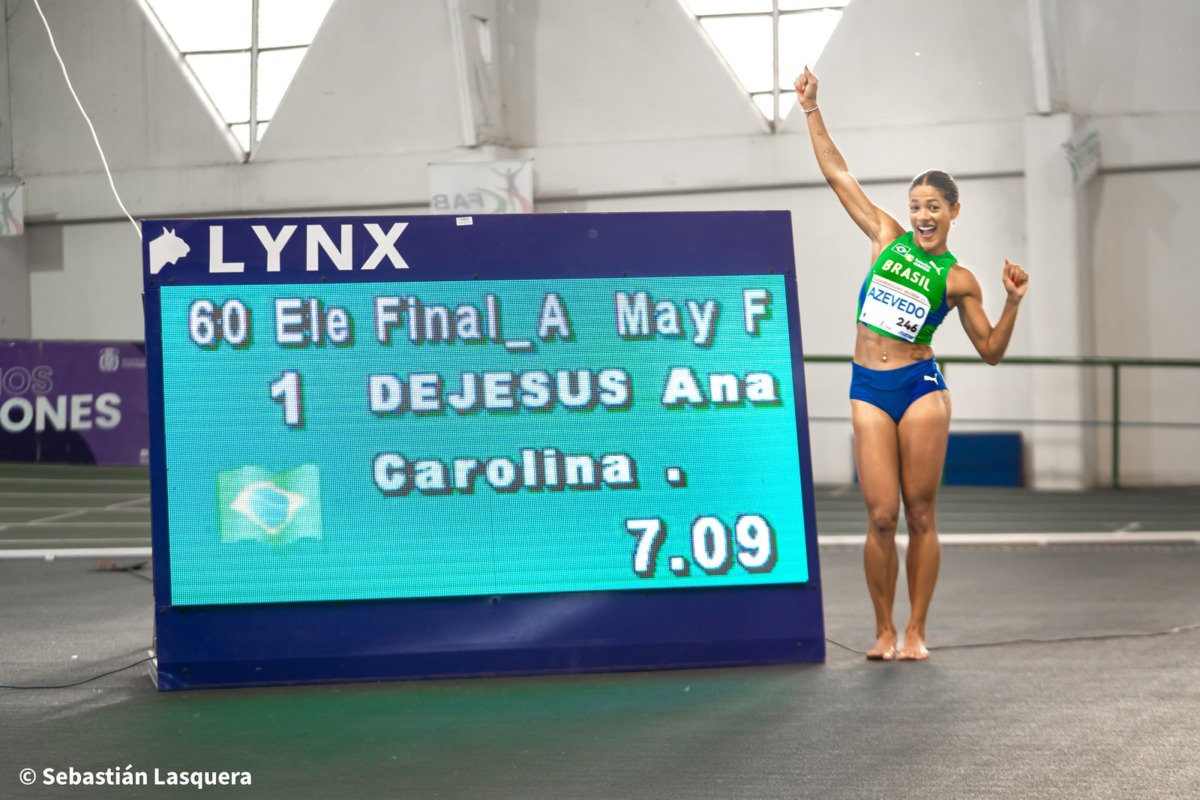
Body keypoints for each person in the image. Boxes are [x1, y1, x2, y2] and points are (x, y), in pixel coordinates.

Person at [794, 66, 1029, 661]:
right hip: (867, 384)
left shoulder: (959, 279)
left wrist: (1013, 300)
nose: (922, 215)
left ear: (953, 212)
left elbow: (992, 352)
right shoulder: (883, 236)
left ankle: (917, 629)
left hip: (920, 387)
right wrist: (811, 109)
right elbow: (837, 173)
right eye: (916, 205)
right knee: (880, 515)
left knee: (920, 512)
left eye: (934, 207)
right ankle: (883, 630)